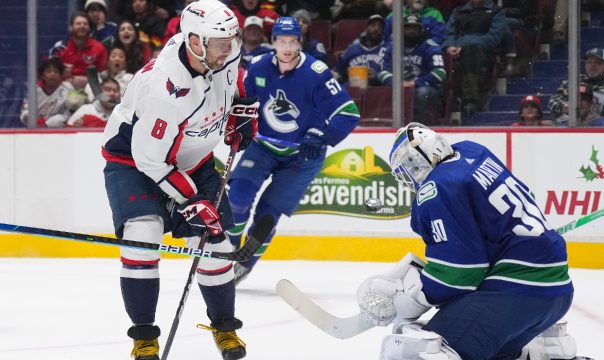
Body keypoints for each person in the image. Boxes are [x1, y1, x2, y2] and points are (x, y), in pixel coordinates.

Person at [101, 1, 258, 359]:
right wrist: (191, 201)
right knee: (142, 238)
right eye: (222, 41)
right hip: (135, 164)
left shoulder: (222, 52)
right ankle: (144, 337)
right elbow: (150, 160)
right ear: (195, 42)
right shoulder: (165, 88)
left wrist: (240, 110)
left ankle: (224, 328)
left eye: (232, 39)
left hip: (194, 159)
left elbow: (236, 80)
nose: (231, 47)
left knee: (217, 246)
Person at [357, 123, 575, 360]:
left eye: (407, 169)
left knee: (416, 350)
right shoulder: (473, 152)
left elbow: (460, 273)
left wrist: (417, 296)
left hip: (516, 291)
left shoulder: (436, 187)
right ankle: (537, 353)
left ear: (416, 164)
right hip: (555, 291)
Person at [227, 16, 360, 283]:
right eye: (282, 41)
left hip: (302, 156)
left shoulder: (316, 73)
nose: (287, 47)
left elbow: (348, 113)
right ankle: (230, 249)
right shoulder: (258, 67)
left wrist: (322, 135)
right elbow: (243, 103)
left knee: (268, 213)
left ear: (300, 43)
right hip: (263, 146)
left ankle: (245, 263)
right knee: (238, 196)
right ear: (273, 42)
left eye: (292, 41)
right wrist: (238, 126)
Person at [442, 0, 506, 115]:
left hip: (484, 53)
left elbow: (493, 38)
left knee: (471, 51)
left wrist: (463, 45)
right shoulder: (458, 11)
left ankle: (470, 100)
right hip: (457, 51)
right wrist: (449, 46)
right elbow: (449, 33)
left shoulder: (496, 11)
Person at [379, 15, 446, 125]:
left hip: (424, 88)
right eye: (408, 28)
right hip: (399, 87)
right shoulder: (393, 47)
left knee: (423, 93)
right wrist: (396, 83)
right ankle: (385, 125)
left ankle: (417, 127)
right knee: (383, 91)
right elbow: (383, 72)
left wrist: (414, 83)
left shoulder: (430, 46)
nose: (411, 31)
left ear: (421, 30)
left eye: (415, 28)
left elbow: (440, 73)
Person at [548, 48, 604, 121]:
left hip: (596, 128)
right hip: (567, 124)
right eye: (589, 62)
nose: (592, 66)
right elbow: (552, 101)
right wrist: (564, 107)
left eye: (597, 63)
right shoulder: (573, 81)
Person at [50, 11, 108, 90]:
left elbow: (103, 75)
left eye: (85, 24)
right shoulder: (60, 48)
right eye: (78, 24)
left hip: (92, 88)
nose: (82, 26)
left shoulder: (99, 48)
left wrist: (88, 81)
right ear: (70, 27)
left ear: (89, 28)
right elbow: (50, 74)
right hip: (64, 88)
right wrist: (68, 80)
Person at [19, 57, 73, 128]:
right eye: (48, 71)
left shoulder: (68, 88)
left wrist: (48, 124)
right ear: (43, 76)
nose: (52, 74)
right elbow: (25, 110)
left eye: (56, 72)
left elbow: (69, 113)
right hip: (35, 129)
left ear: (61, 75)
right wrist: (28, 117)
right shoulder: (34, 91)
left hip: (59, 130)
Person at [334, 14, 386, 87]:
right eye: (373, 25)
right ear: (366, 28)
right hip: (351, 90)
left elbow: (393, 75)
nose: (376, 28)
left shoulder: (388, 49)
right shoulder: (352, 48)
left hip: (378, 90)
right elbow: (337, 71)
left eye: (380, 26)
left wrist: (377, 77)